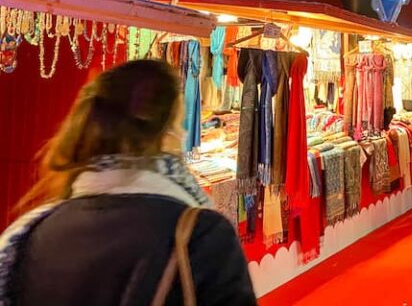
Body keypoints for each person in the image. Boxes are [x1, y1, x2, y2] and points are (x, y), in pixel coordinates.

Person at [0, 60, 256, 305]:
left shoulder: (25, 235)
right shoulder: (200, 234)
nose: (185, 134)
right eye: (180, 124)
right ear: (164, 134)